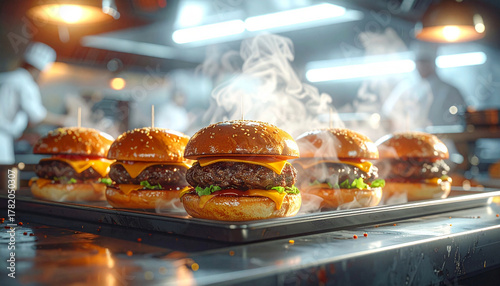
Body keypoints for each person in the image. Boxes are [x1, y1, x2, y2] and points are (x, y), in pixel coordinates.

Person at [0, 42, 65, 164]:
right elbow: (37, 116)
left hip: (5, 137)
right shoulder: (26, 83)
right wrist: (64, 121)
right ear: (37, 69)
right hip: (1, 140)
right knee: (8, 179)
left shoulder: (7, 77)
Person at [382, 41, 467, 131]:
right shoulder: (405, 89)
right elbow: (389, 115)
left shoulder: (449, 90)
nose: (422, 66)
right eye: (419, 62)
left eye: (425, 61)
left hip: (445, 141)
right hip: (412, 140)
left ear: (433, 62)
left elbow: (462, 120)